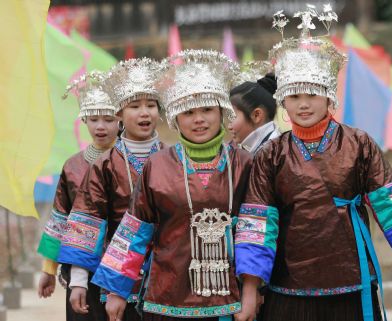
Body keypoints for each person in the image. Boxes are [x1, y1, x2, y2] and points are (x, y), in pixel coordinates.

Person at [234, 6, 392, 321]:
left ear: (328, 96)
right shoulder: (271, 154)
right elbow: (257, 224)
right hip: (288, 285)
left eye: (312, 94)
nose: (303, 104)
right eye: (294, 97)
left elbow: (391, 206)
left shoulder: (359, 143)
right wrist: (250, 292)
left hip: (352, 280)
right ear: (283, 103)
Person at [92, 49, 253, 321]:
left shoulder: (245, 163)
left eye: (207, 109)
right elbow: (135, 229)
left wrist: (252, 290)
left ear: (222, 111)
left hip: (230, 300)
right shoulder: (157, 165)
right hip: (167, 298)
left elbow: (256, 231)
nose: (199, 119)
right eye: (189, 112)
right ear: (176, 117)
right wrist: (116, 291)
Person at [58, 58, 165, 321]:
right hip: (117, 280)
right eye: (135, 106)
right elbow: (87, 221)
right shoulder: (104, 166)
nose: (144, 113)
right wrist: (79, 281)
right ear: (120, 114)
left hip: (167, 278)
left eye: (150, 105)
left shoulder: (172, 158)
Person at [37, 71, 118, 321]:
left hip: (124, 269)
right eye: (94, 119)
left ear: (121, 120)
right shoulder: (73, 166)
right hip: (82, 267)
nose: (101, 126)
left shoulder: (131, 162)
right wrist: (48, 269)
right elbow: (60, 218)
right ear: (84, 121)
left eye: (108, 118)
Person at [228, 64, 280, 154]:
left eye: (233, 117)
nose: (229, 126)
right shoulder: (269, 148)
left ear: (256, 115)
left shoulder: (275, 153)